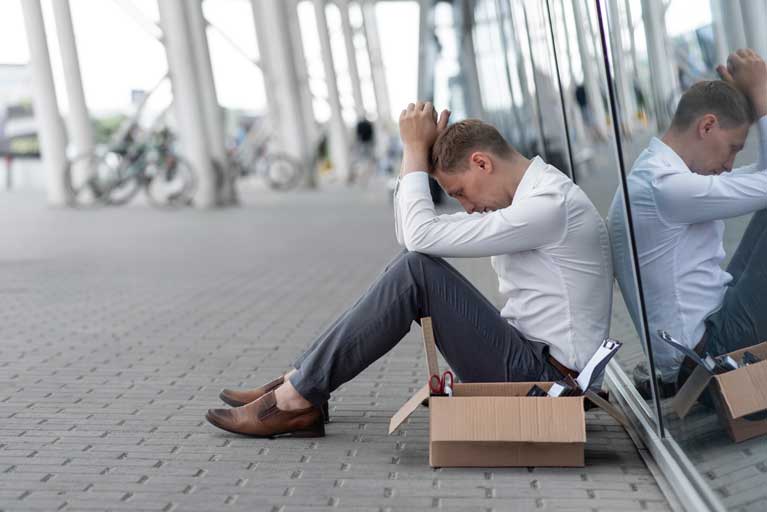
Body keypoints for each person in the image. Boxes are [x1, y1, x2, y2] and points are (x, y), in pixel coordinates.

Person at [205, 103, 613, 438]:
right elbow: (411, 234)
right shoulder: (532, 199)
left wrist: (415, 152)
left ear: (481, 163)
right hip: (531, 364)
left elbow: (418, 238)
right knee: (412, 266)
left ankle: (297, 396)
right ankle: (299, 384)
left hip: (550, 385)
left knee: (417, 273)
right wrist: (414, 158)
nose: (467, 207)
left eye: (459, 192)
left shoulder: (548, 207)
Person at [608, 49, 767, 396]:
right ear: (707, 126)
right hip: (707, 357)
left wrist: (745, 106)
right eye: (732, 148)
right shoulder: (667, 189)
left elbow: (760, 180)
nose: (729, 164)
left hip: (701, 341)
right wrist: (762, 97)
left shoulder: (654, 176)